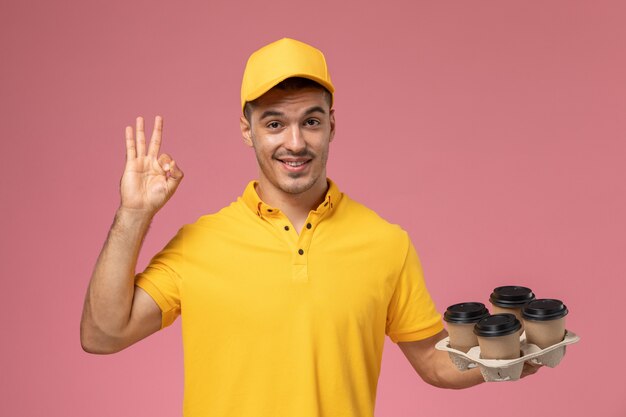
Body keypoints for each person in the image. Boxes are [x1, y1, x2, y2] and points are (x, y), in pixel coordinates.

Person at [80, 38, 538, 416]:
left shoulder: (386, 243)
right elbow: (103, 335)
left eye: (311, 122)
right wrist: (134, 215)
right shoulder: (197, 245)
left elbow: (436, 365)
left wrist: (512, 355)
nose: (294, 143)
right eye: (275, 123)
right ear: (247, 129)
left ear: (332, 126)